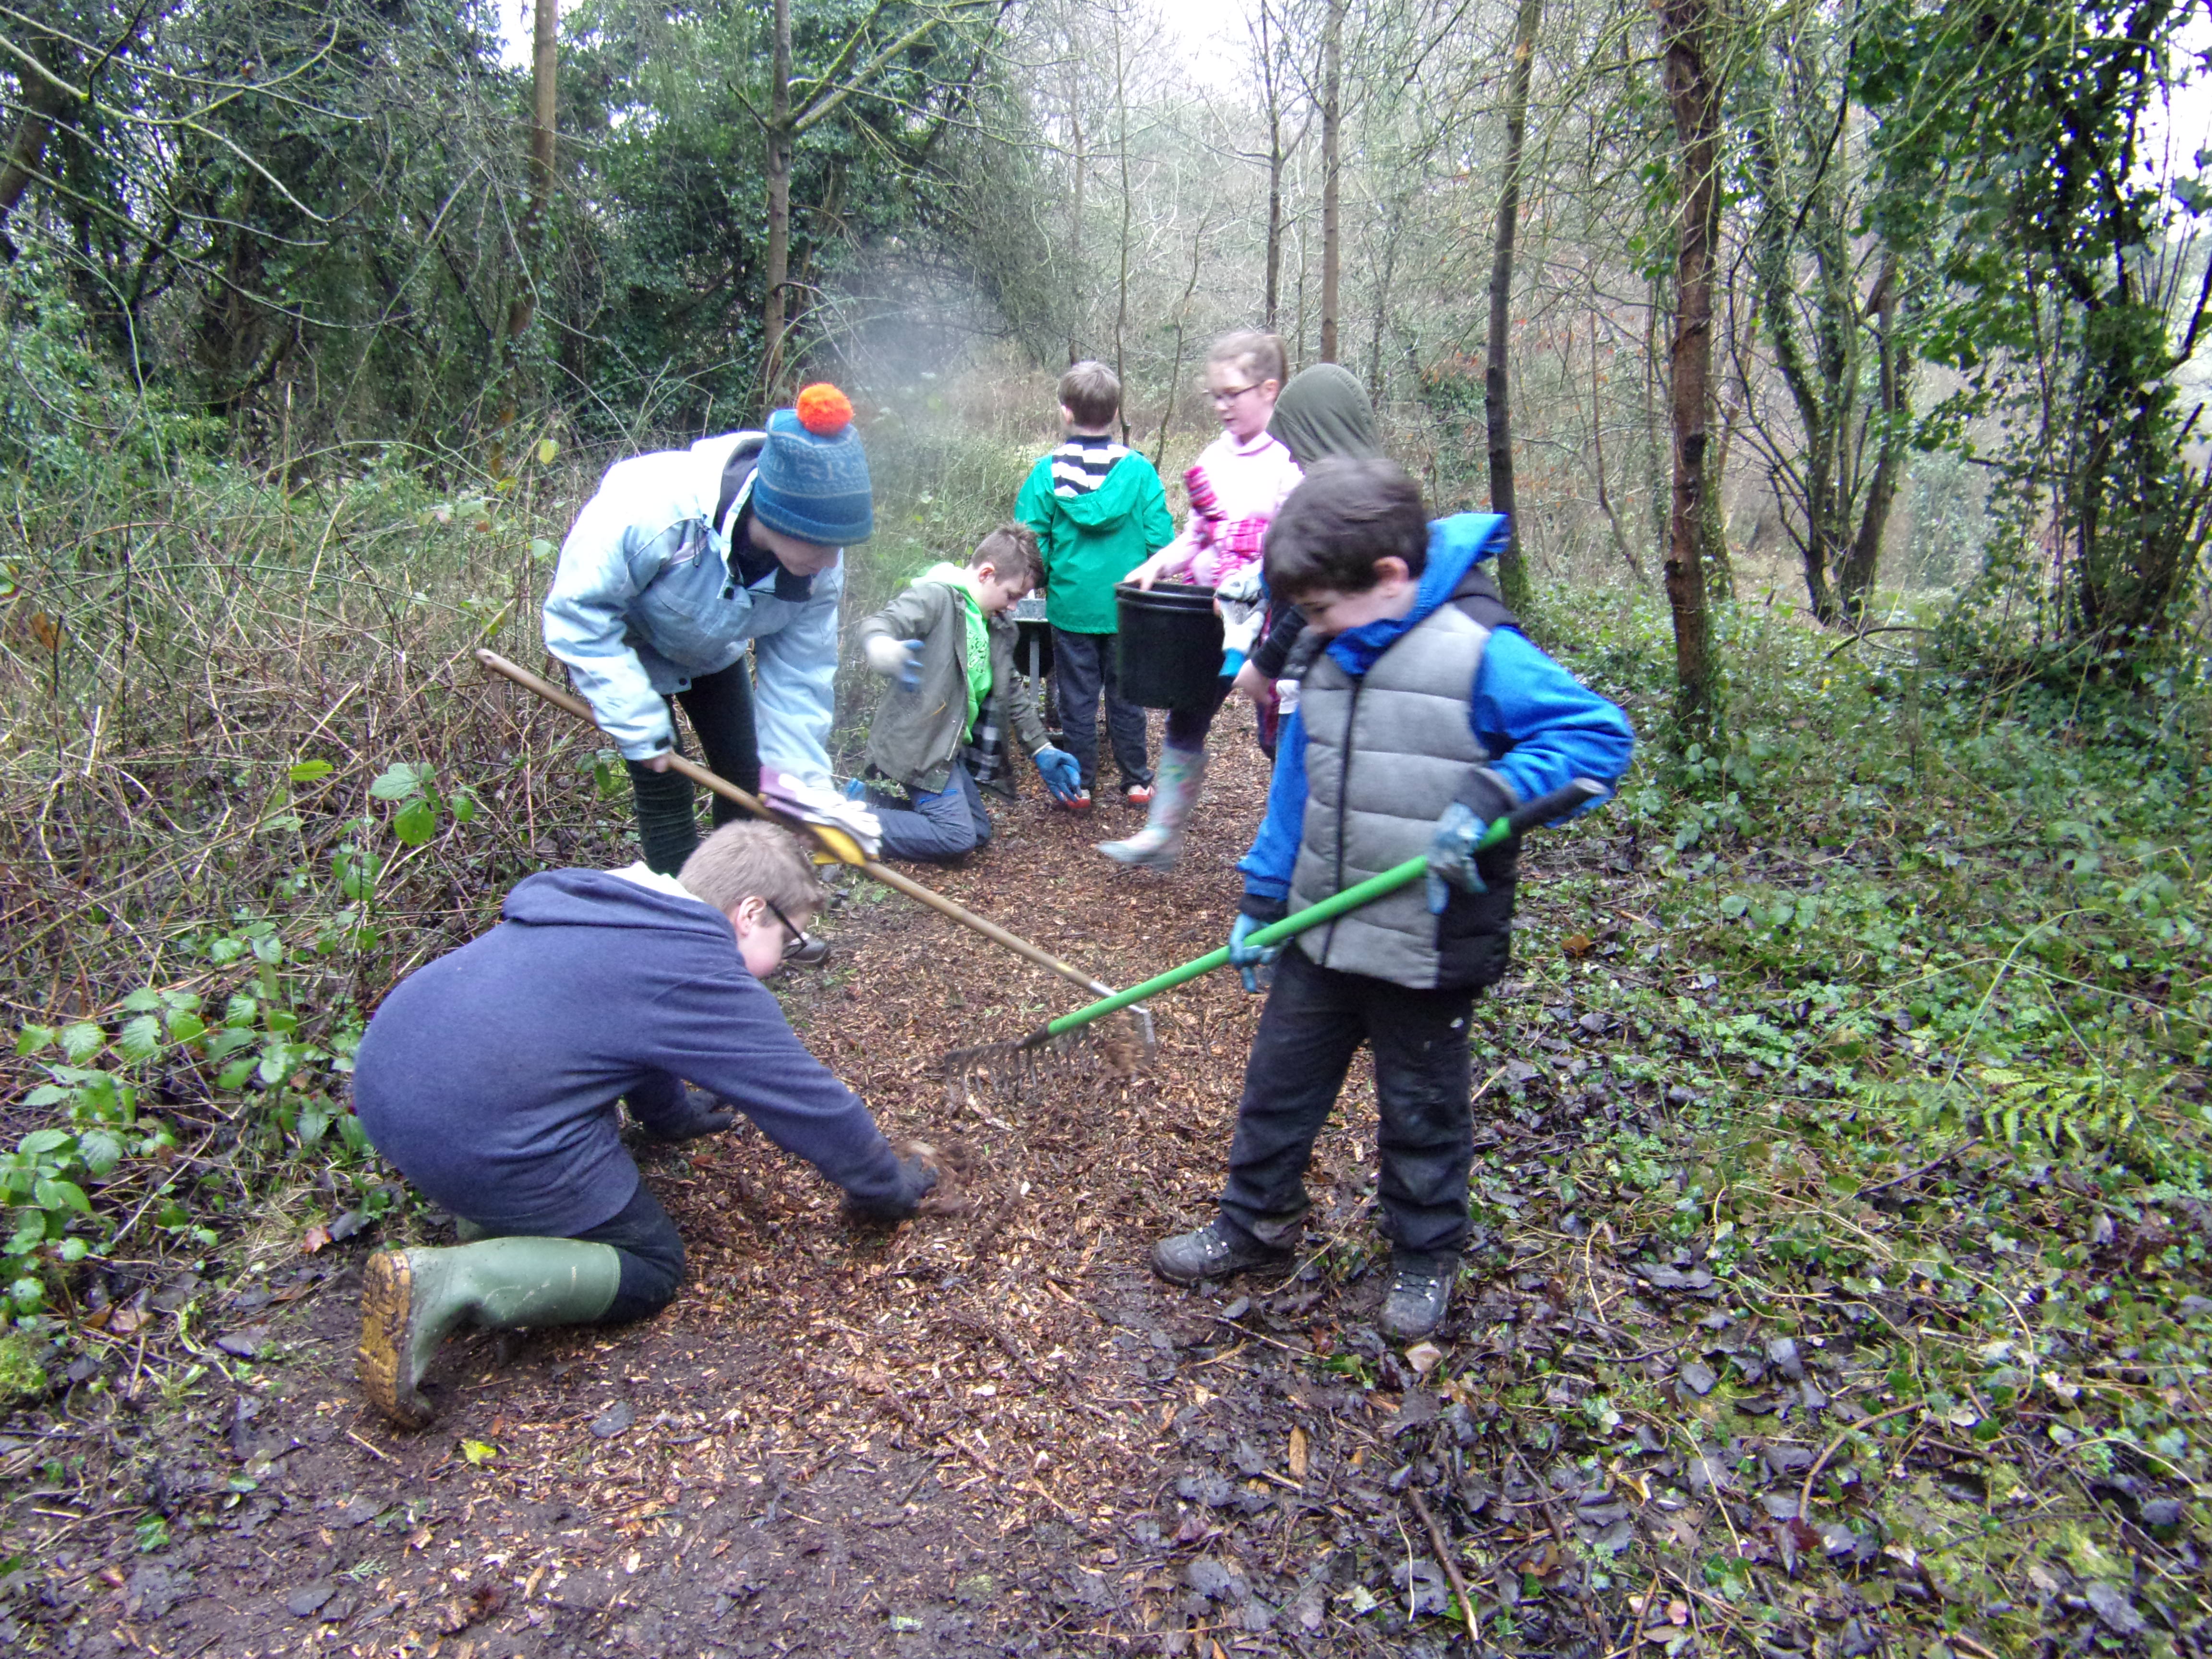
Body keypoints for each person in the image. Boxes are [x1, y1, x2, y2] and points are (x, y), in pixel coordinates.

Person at [1150, 459, 1635, 1342]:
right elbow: (1298, 778)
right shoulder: (1328, 649)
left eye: (1321, 609)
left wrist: (1493, 797)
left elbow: (1595, 736)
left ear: (1386, 577)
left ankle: (1422, 1257)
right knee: (1277, 1088)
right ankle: (1253, 1223)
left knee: (1421, 1108)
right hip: (1321, 927)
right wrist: (1264, 894)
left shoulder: (1477, 647)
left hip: (1428, 939)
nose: (1311, 628)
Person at [352, 822, 937, 1428]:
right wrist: (886, 1186)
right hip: (472, 1131)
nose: (784, 962)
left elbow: (633, 1031)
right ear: (749, 912)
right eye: (789, 942)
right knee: (650, 1267)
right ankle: (451, 1282)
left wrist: (672, 1116)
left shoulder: (617, 904)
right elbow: (811, 1103)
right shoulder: (695, 970)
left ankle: (497, 1214)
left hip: (391, 1083)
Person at [542, 383, 877, 891]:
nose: (833, 563)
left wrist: (799, 789)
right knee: (665, 781)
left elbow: (801, 674)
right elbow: (578, 611)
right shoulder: (652, 510)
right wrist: (637, 722)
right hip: (628, 649)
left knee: (745, 778)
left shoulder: (816, 562)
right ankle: (686, 929)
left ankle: (746, 915)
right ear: (779, 514)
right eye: (824, 545)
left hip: (712, 647)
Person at [1103, 331, 1303, 869]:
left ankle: (1294, 845)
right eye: (1213, 394)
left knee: (1278, 735)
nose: (1221, 405)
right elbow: (1197, 536)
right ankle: (1164, 831)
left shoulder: (1287, 465)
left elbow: (1292, 551)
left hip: (1268, 627)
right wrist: (1156, 564)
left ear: (1268, 390)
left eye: (1232, 393)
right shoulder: (1212, 459)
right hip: (1206, 622)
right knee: (1186, 718)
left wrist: (1251, 583)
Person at [853, 525, 1083, 861]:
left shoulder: (996, 625)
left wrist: (1043, 748)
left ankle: (866, 803)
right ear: (988, 574)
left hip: (947, 751)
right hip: (918, 746)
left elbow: (1010, 689)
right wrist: (882, 647)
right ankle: (847, 821)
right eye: (1013, 596)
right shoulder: (937, 598)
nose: (1015, 607)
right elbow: (882, 622)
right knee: (956, 837)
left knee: (977, 831)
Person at [1014, 360, 1175, 812]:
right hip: (1128, 607)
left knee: (1077, 698)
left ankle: (1080, 785)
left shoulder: (1047, 473)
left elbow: (1030, 542)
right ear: (1115, 411)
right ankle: (1137, 782)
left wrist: (1047, 579)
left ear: (1066, 412)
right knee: (1127, 695)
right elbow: (1161, 540)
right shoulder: (1139, 471)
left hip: (1072, 607)